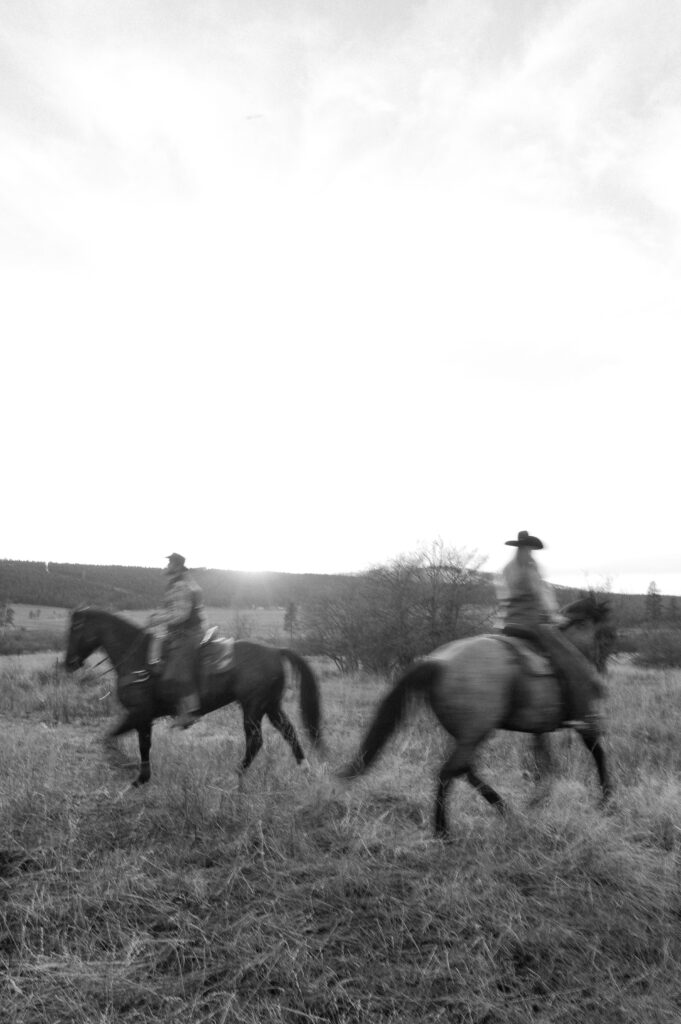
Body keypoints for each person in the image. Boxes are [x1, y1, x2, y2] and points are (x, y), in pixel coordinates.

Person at [495, 531, 604, 728]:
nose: (531, 553)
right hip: (532, 623)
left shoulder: (506, 570)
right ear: (523, 548)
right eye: (529, 549)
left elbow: (505, 598)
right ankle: (580, 714)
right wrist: (554, 617)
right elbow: (542, 596)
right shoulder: (530, 570)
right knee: (571, 657)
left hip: (509, 624)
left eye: (531, 550)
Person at [152, 552, 207, 729]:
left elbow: (181, 615)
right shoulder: (179, 582)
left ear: (176, 565)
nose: (167, 566)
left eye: (169, 563)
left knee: (178, 672)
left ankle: (190, 712)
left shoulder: (181, 585)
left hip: (188, 633)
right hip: (179, 632)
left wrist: (158, 619)